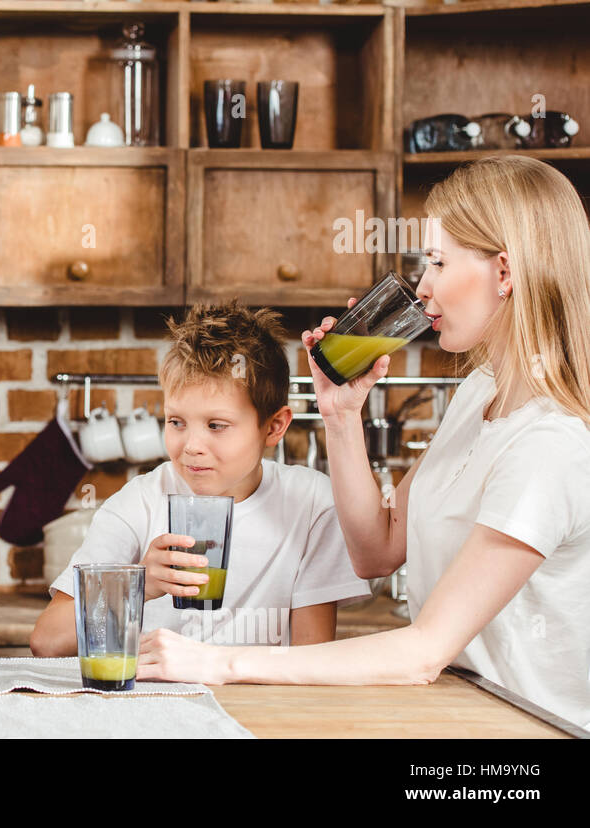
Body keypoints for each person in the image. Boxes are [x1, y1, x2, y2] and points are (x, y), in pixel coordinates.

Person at [139, 155, 590, 729]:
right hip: (460, 717)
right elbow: (376, 550)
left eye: (438, 262)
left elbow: (424, 651)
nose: (423, 287)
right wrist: (341, 413)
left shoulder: (549, 445)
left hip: (528, 730)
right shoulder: (480, 395)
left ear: (504, 273)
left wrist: (219, 662)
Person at [29, 303, 369, 655]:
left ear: (274, 426)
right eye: (176, 422)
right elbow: (47, 641)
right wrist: (138, 585)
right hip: (157, 704)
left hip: (256, 708)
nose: (191, 447)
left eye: (215, 426)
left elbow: (309, 658)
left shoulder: (311, 503)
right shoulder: (138, 503)